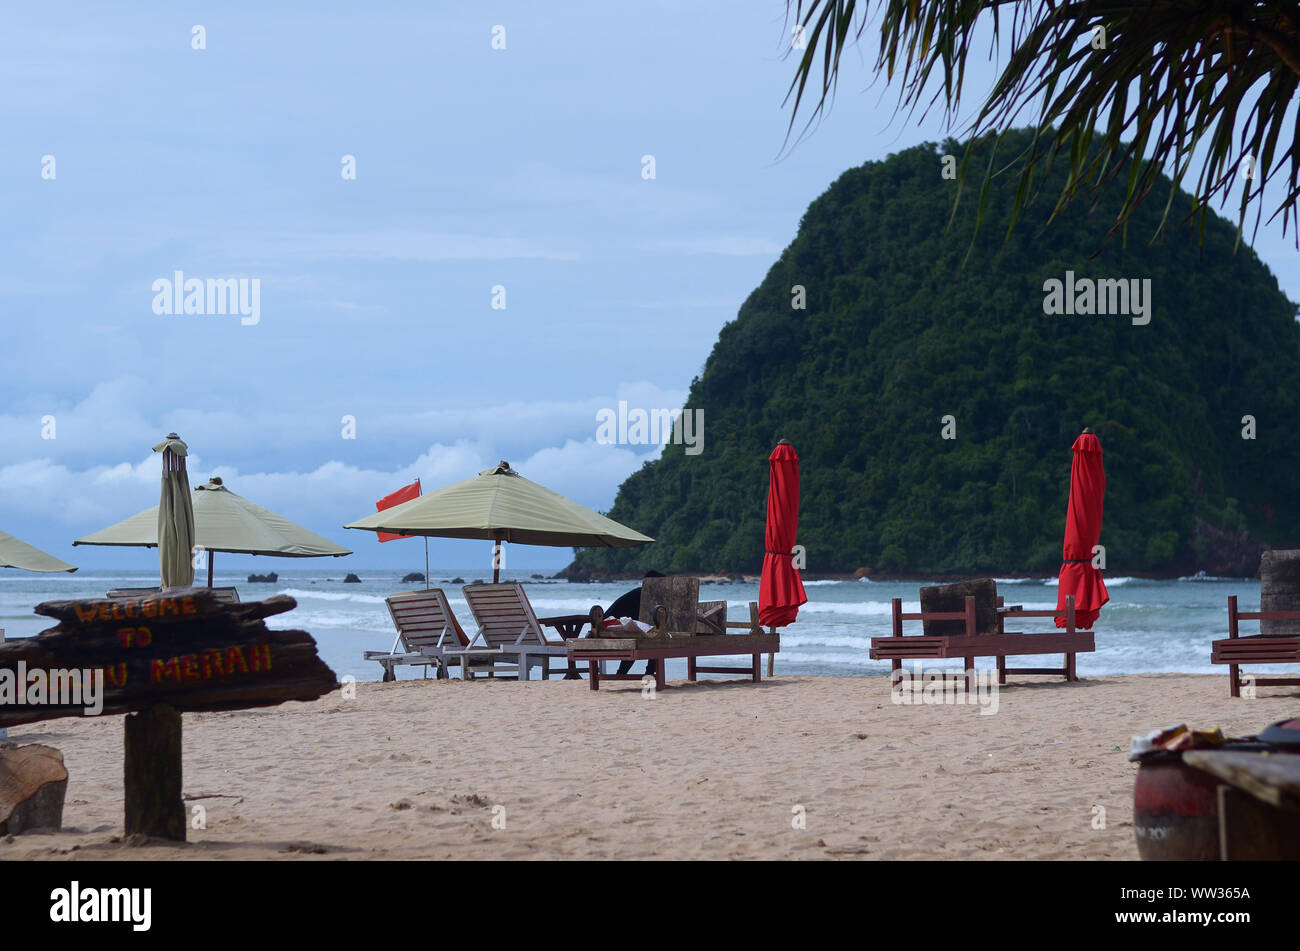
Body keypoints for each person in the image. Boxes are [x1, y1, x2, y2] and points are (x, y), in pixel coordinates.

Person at [602, 570, 663, 677]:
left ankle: (622, 674)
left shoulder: (641, 593)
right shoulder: (643, 595)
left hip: (608, 626)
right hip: (612, 627)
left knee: (646, 639)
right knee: (655, 642)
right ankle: (648, 673)